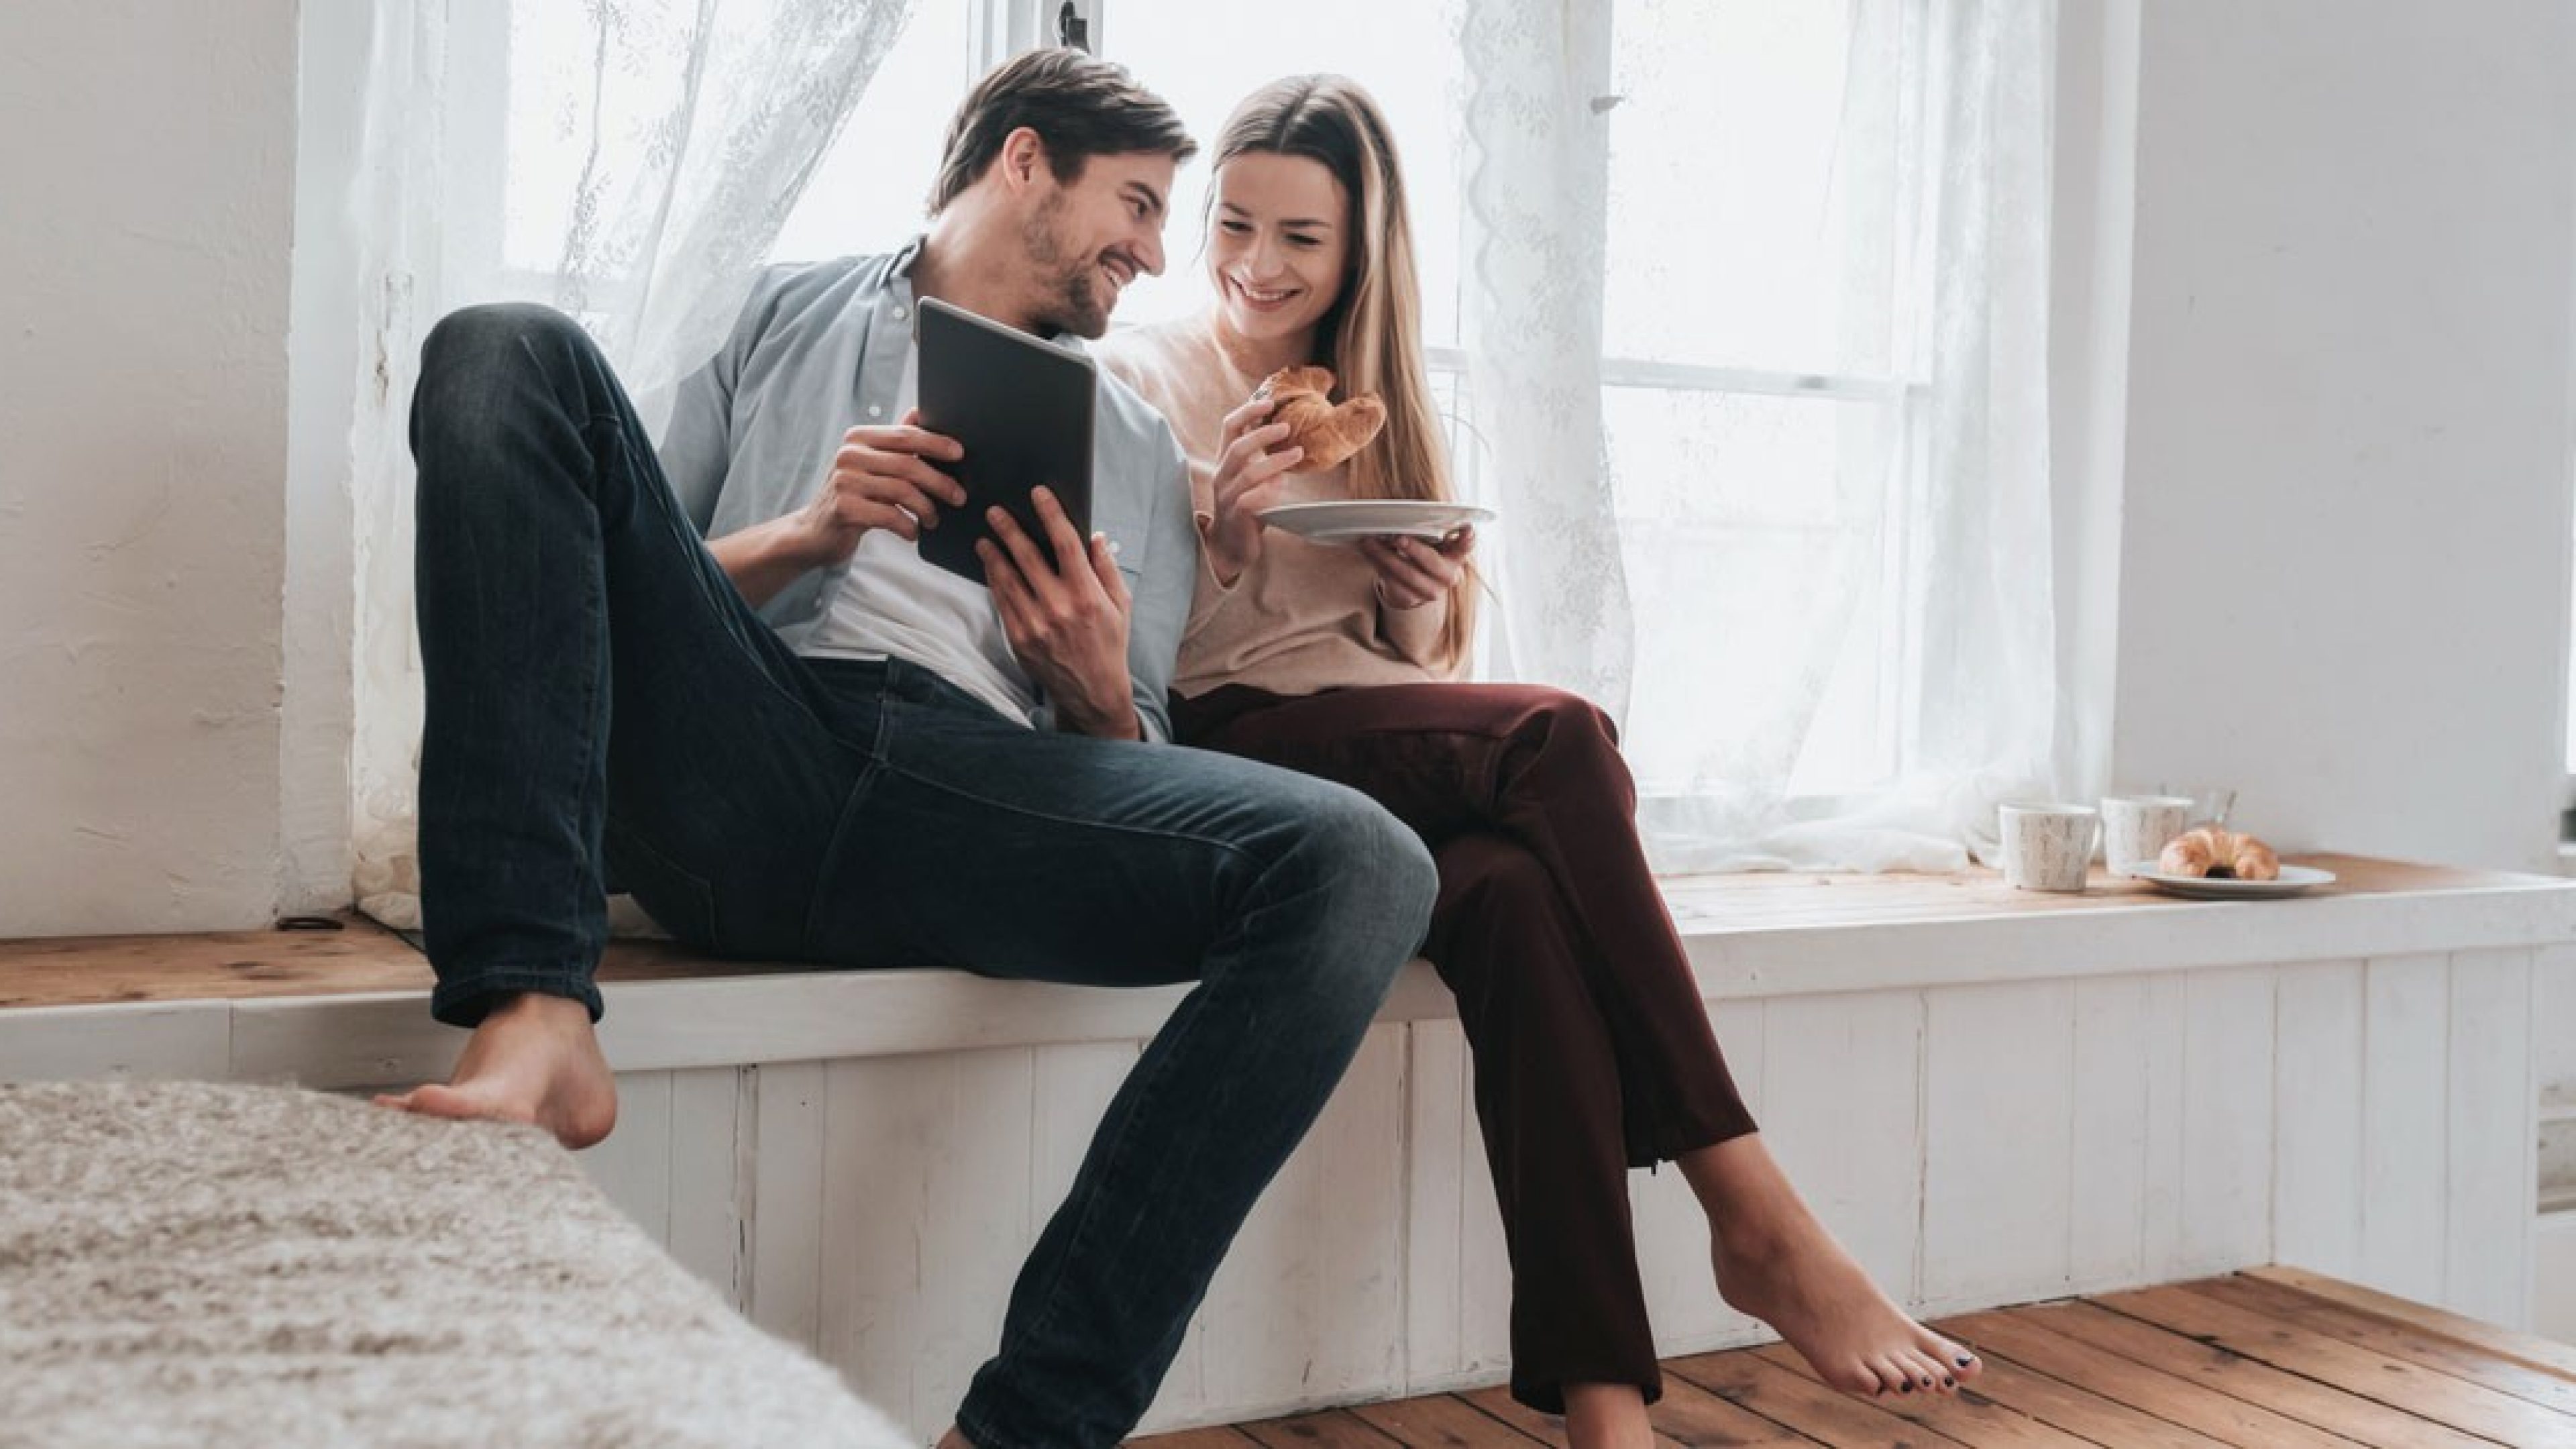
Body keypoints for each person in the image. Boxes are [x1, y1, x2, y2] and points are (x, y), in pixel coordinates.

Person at [374, 50, 1438, 1449]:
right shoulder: (779, 313)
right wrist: (808, 533)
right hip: (747, 740)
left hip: (972, 793)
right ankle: (532, 1011)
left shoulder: (1131, 432)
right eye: (1134, 201)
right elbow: (603, 582)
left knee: (1363, 862)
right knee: (503, 347)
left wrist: (1091, 685)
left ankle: (1027, 1431)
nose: (1153, 249)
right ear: (1021, 164)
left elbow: (1143, 749)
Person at [1097, 74, 1982, 1446]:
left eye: (1300, 240)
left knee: (1513, 896)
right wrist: (1224, 532)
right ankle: (1756, 1214)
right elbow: (1146, 663)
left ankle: (1604, 1413)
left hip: (1366, 735)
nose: (1255, 266)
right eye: (1232, 224)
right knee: (1563, 733)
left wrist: (1410, 584)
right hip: (1232, 744)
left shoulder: (1373, 399)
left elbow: (1421, 665)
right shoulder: (1146, 378)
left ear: (1360, 252)